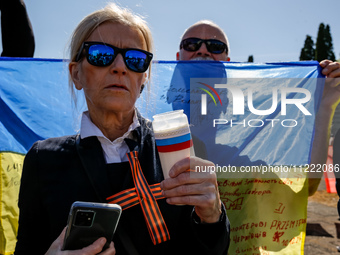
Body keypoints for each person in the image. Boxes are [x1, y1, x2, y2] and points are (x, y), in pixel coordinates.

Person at [14, 4, 230, 255]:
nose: (120, 66)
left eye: (135, 59)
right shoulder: (43, 159)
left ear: (143, 78)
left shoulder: (179, 146)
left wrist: (213, 216)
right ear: (76, 73)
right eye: (101, 54)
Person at [176, 19, 340, 195]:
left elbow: (304, 187)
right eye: (191, 44)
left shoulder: (238, 158)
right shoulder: (145, 134)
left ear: (227, 62)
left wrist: (325, 106)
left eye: (215, 46)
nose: (202, 50)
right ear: (178, 58)